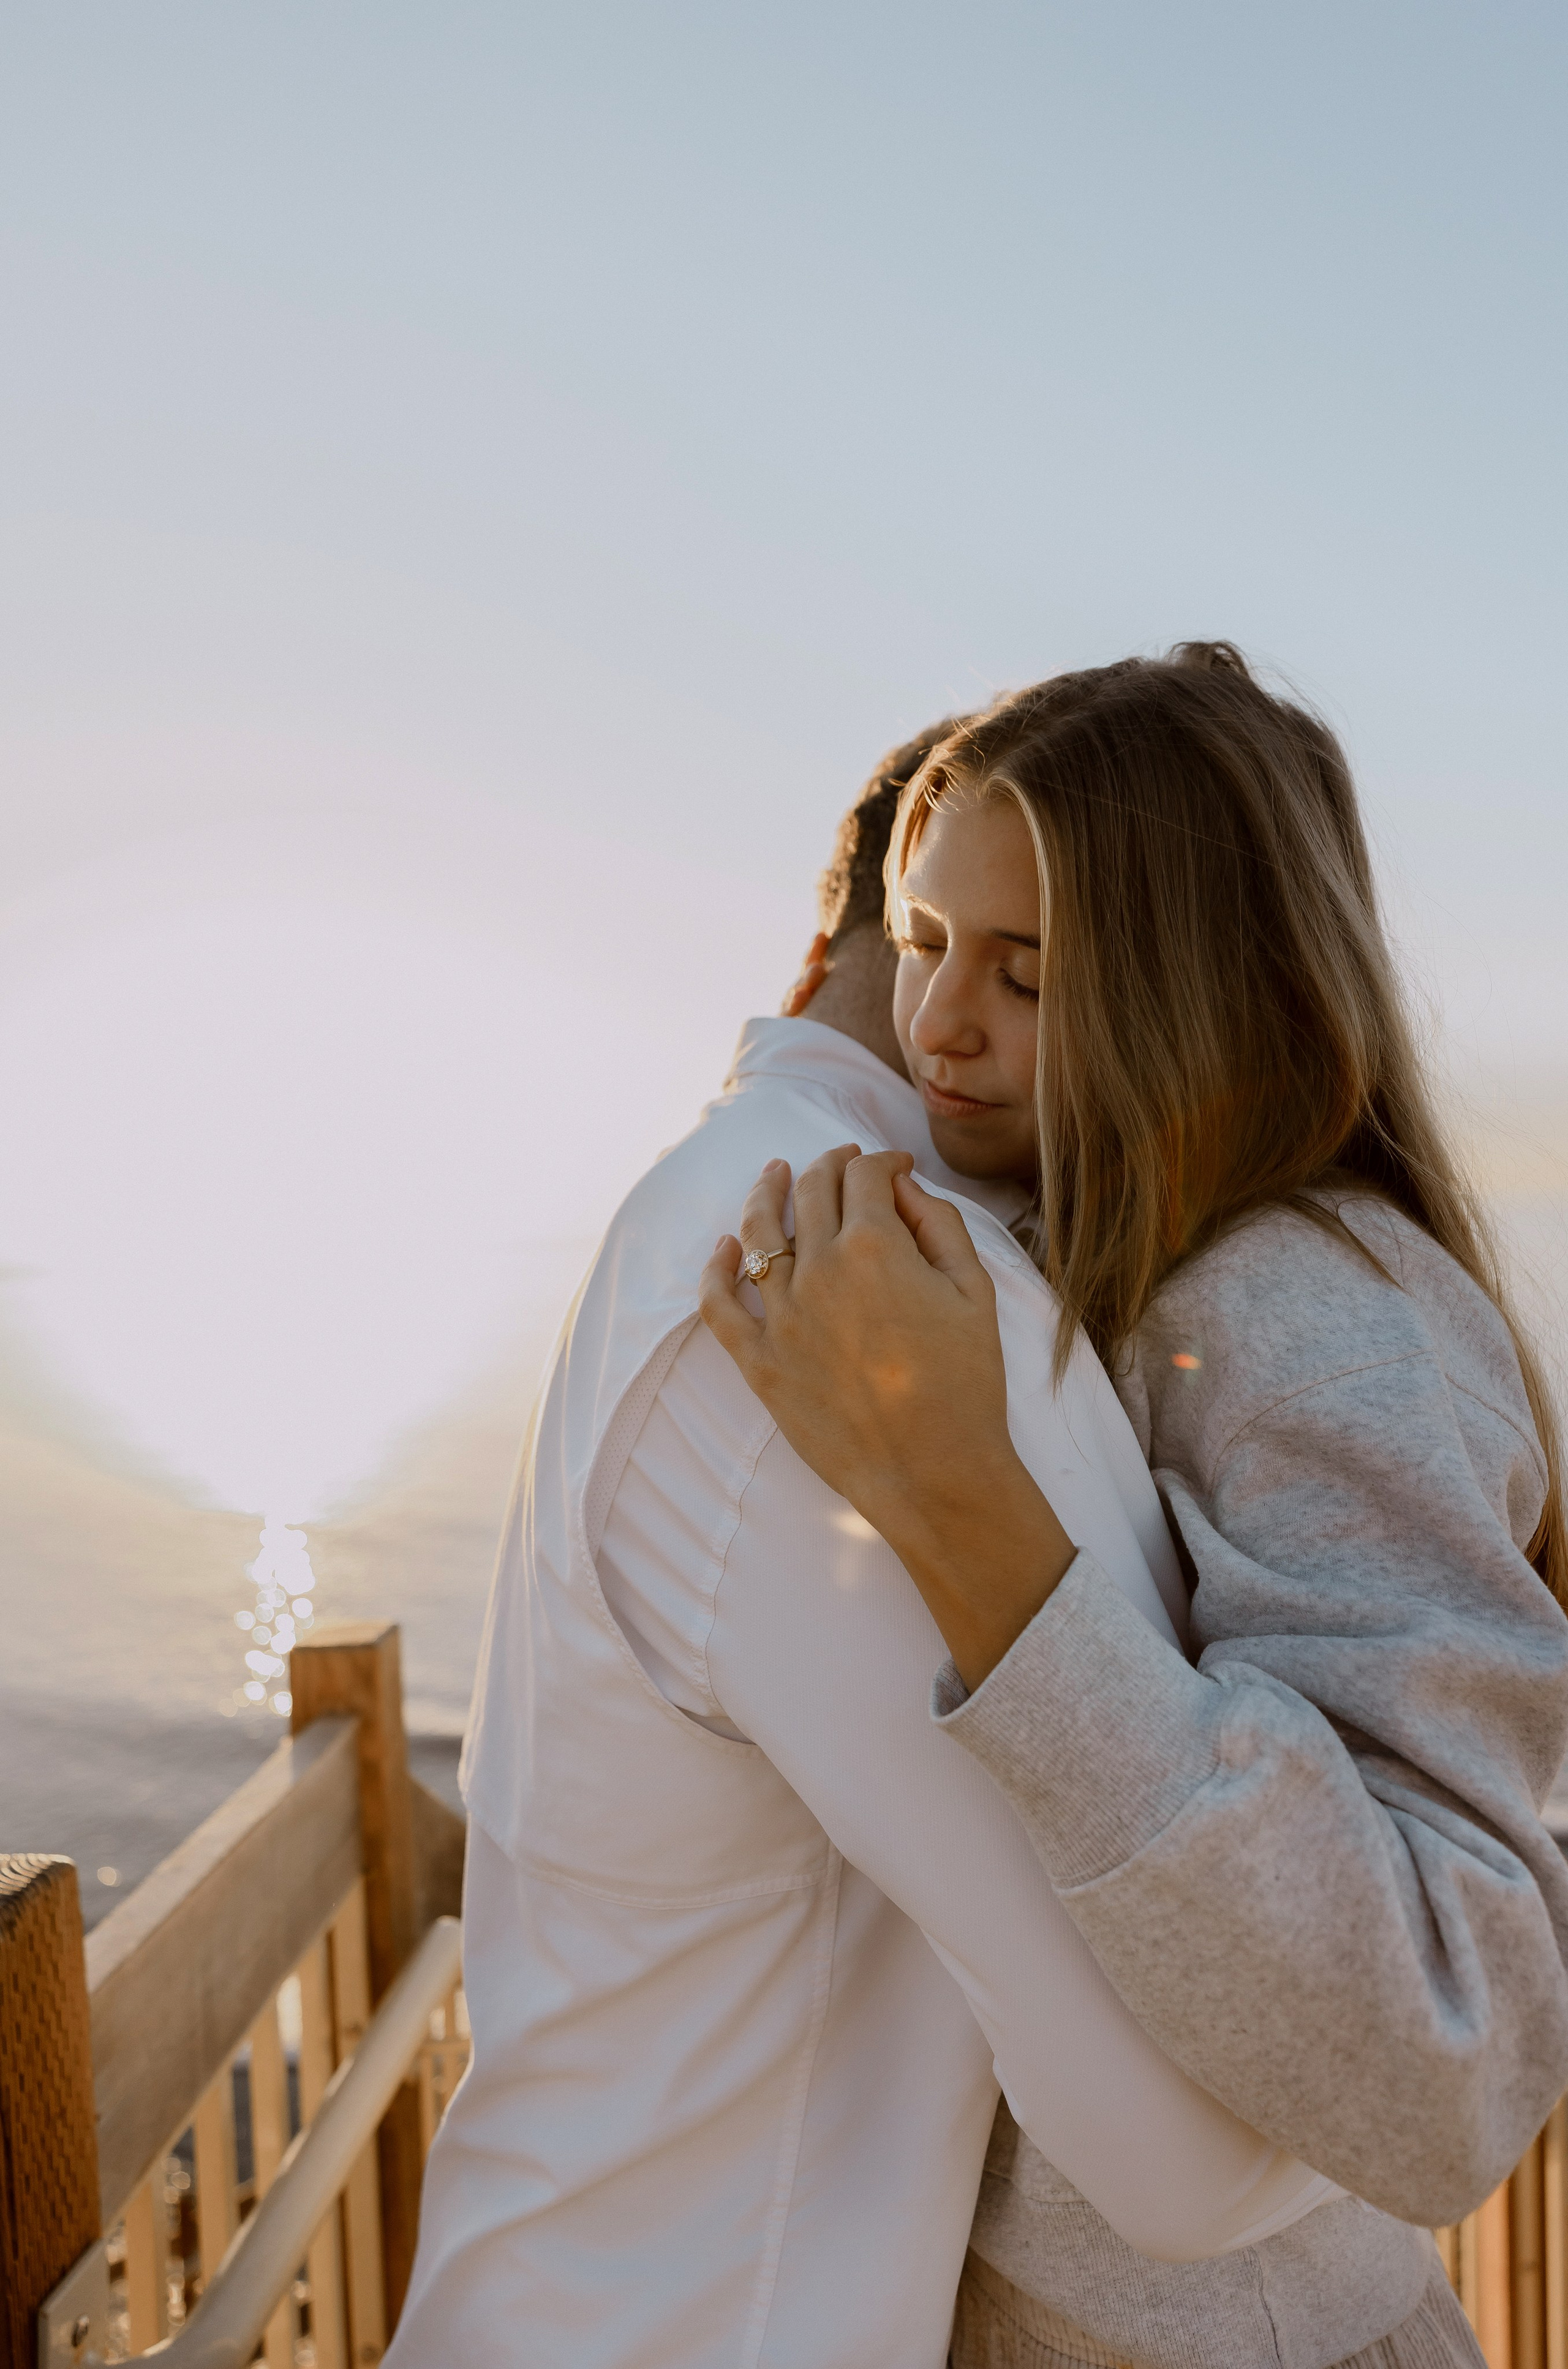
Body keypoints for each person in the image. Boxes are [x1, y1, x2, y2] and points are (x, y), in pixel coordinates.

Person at [383, 724, 1340, 2369]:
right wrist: (1432, 1961)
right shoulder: (867, 1275)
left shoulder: (687, 1209)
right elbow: (1200, 2139)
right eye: (957, 948)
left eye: (1030, 970)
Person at [702, 644, 1568, 2368]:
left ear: (1207, 996)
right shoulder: (1088, 1253)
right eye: (928, 940)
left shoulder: (1315, 1321)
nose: (936, 1024)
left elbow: (1450, 2053)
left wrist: (967, 1516)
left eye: (1026, 974)